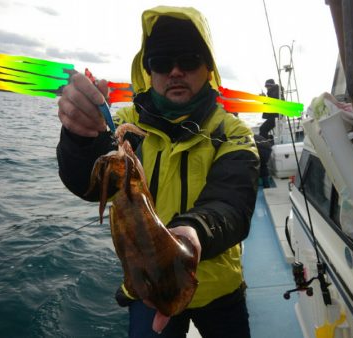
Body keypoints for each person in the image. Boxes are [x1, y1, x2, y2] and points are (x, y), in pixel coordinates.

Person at [57, 6, 259, 338]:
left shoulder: (233, 131)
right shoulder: (124, 127)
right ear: (148, 71)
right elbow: (89, 183)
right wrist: (80, 139)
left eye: (189, 60)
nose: (175, 71)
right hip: (146, 286)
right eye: (162, 63)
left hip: (219, 290)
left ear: (208, 68)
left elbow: (233, 202)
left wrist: (193, 232)